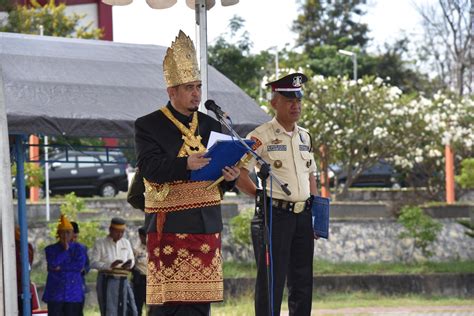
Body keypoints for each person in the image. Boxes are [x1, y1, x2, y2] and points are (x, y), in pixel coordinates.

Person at [134, 30, 240, 315]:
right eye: (189, 88)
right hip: (169, 225)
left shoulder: (211, 124)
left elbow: (217, 175)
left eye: (198, 87)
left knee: (198, 303)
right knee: (168, 303)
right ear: (172, 92)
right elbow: (149, 168)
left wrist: (229, 178)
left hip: (204, 224)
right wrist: (185, 164)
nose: (196, 94)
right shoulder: (148, 124)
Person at [237, 73, 319, 316]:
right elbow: (241, 173)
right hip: (275, 216)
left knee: (303, 282)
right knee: (271, 282)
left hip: (303, 216)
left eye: (299, 100)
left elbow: (311, 175)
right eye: (289, 100)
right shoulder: (260, 136)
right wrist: (259, 197)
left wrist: (316, 213)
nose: (296, 106)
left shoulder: (304, 136)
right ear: (274, 102)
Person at [89, 217, 137, 316]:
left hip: (123, 280)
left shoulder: (126, 242)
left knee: (130, 309)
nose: (120, 235)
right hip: (107, 280)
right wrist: (109, 265)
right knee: (109, 310)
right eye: (117, 232)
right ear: (110, 229)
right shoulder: (101, 243)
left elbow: (132, 259)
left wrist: (129, 264)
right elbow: (93, 262)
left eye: (122, 232)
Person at [42, 214, 87, 316]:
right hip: (55, 293)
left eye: (68, 232)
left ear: (72, 234)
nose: (65, 235)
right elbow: (52, 264)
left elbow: (79, 266)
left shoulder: (79, 249)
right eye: (62, 232)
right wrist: (65, 251)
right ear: (58, 234)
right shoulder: (50, 249)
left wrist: (61, 268)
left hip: (73, 293)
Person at [70, 221, 90, 314]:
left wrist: (84, 270)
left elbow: (87, 265)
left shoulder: (82, 248)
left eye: (76, 237)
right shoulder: (59, 249)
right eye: (72, 237)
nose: (74, 240)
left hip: (79, 285)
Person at [15, 226, 34, 315]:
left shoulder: (26, 246)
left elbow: (28, 265)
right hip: (18, 287)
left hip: (23, 287)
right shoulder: (26, 246)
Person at [132, 227, 147, 316]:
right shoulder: (136, 249)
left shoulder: (154, 247)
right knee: (138, 306)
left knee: (152, 306)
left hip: (151, 281)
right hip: (140, 281)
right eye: (143, 237)